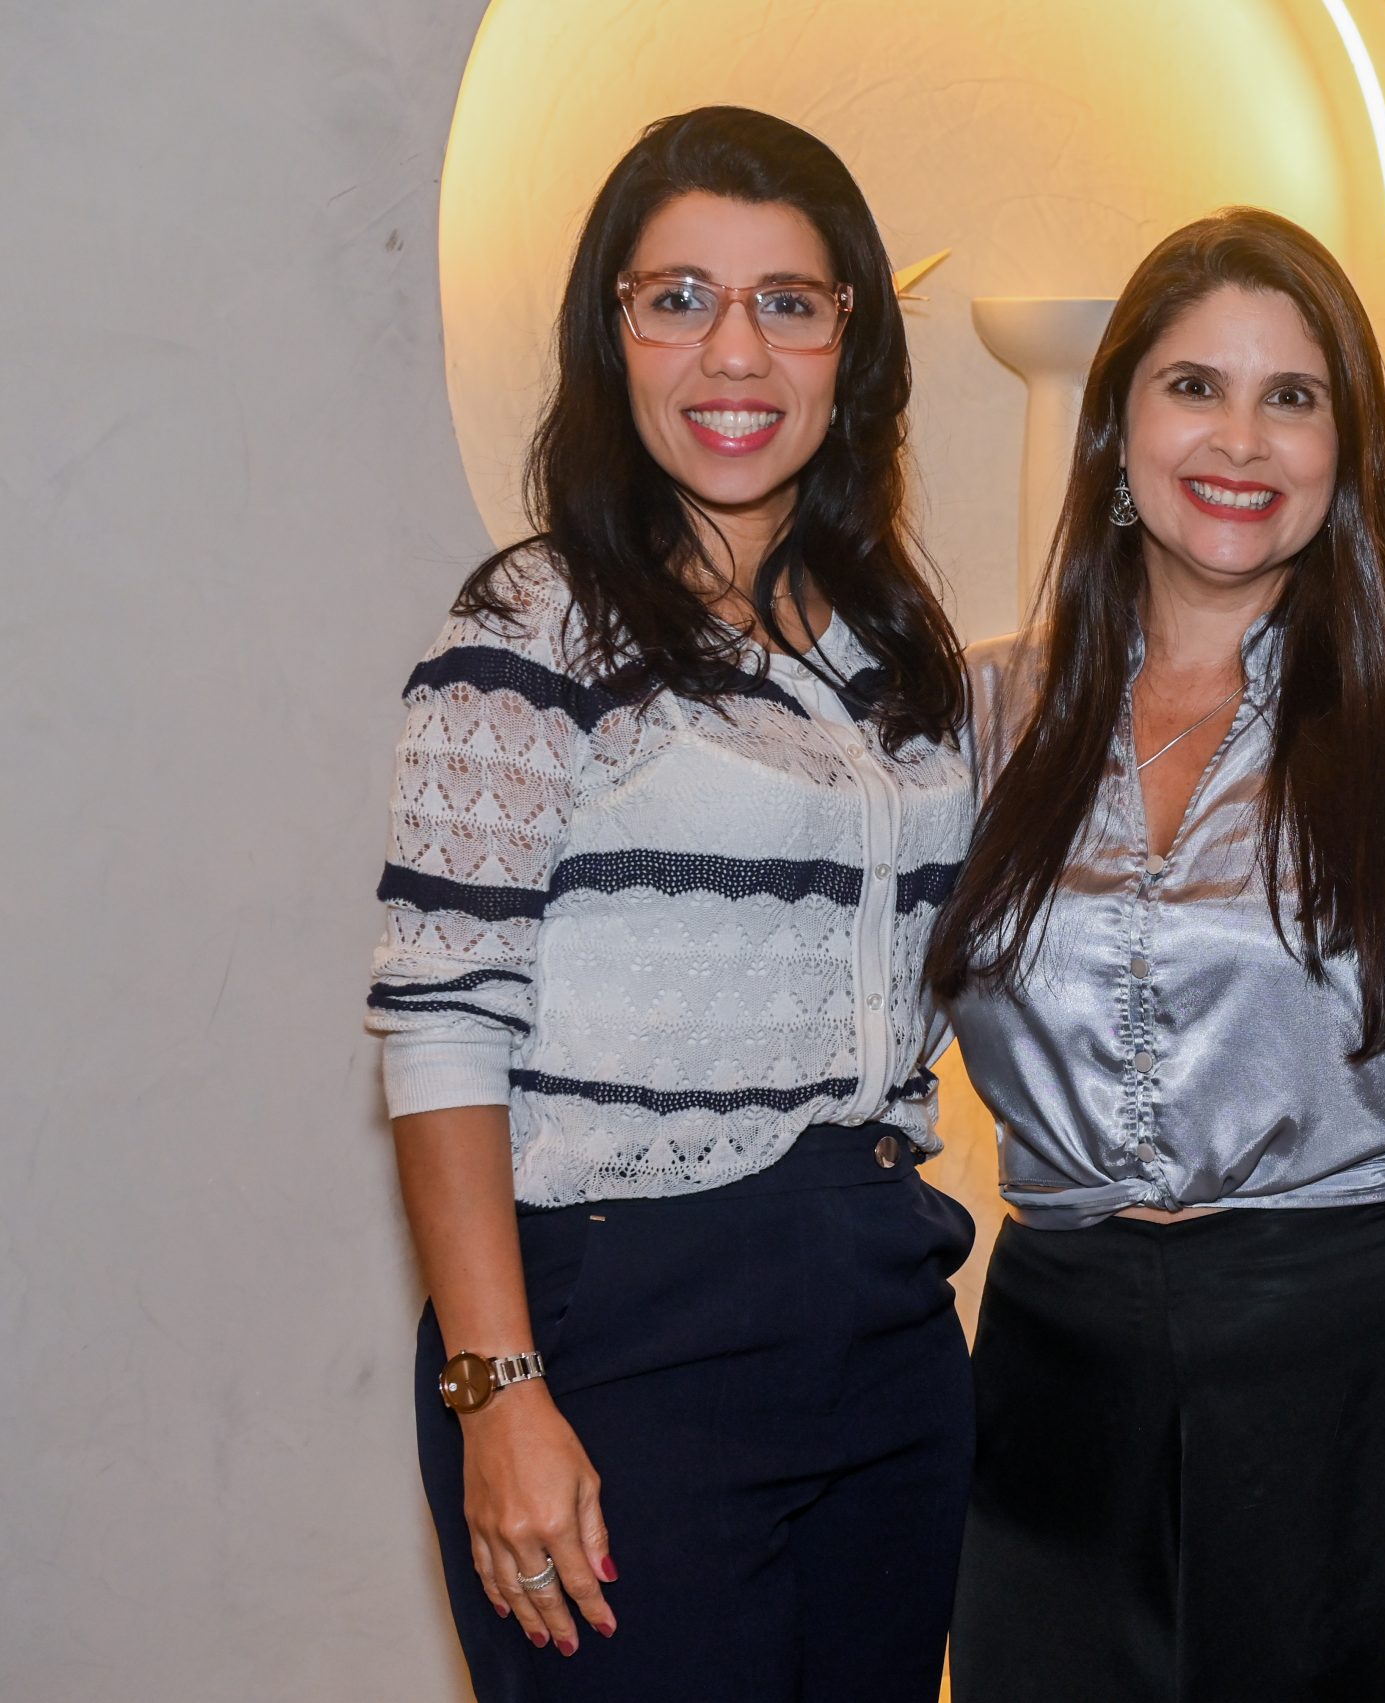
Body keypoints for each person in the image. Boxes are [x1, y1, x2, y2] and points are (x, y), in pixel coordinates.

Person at [924, 207, 1385, 1701]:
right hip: (1055, 1389)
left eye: (1292, 397)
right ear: (1115, 429)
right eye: (1195, 386)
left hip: (1358, 1378)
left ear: (1344, 450)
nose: (1241, 441)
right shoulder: (982, 716)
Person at [366, 107, 974, 1702]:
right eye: (680, 298)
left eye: (789, 301)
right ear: (612, 329)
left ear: (852, 341)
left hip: (887, 1324)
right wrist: (498, 1390)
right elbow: (439, 1027)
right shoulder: (531, 622)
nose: (736, 352)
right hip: (624, 1336)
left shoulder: (894, 644)